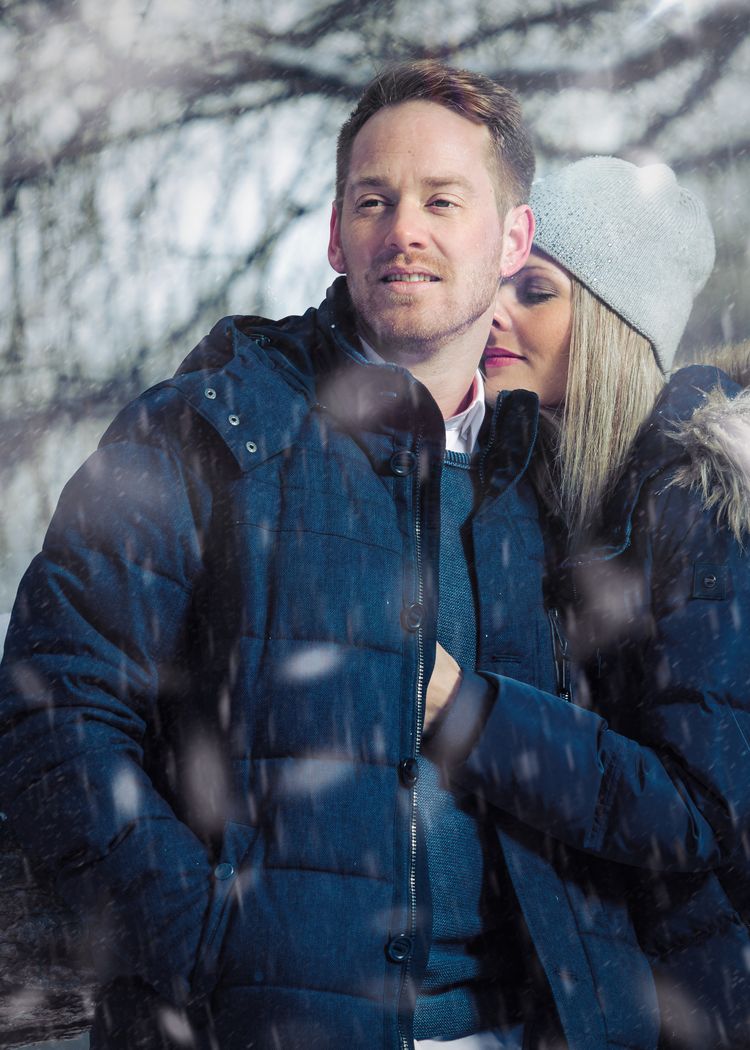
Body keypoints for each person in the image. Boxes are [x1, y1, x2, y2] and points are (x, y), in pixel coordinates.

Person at [0, 59, 589, 1050]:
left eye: (444, 200)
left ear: (513, 239)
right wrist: (215, 949)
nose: (405, 229)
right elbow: (51, 708)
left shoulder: (552, 482)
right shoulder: (209, 427)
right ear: (335, 232)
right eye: (375, 199)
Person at [428, 156, 750, 1047]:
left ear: (612, 321)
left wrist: (464, 711)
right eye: (497, 281)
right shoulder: (540, 496)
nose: (495, 311)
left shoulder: (701, 507)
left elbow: (692, 812)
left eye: (535, 289)